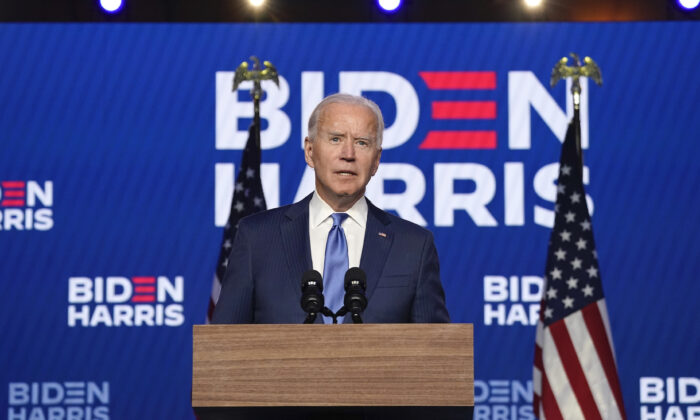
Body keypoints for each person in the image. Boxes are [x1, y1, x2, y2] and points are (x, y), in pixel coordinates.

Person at [212, 93, 449, 324]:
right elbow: (223, 346)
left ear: (376, 161)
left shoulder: (414, 245)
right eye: (335, 139)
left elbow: (435, 353)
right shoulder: (258, 238)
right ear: (310, 151)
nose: (348, 154)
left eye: (361, 143)